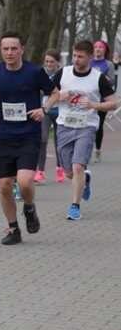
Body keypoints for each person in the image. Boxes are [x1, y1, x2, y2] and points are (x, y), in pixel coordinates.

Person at [0, 31, 58, 245]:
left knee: (24, 182)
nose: (9, 53)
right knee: (5, 185)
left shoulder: (34, 72)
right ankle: (13, 229)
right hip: (3, 136)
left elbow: (55, 93)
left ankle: (29, 207)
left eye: (14, 48)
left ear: (22, 49)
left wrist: (44, 109)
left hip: (28, 135)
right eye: (5, 49)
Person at [46, 40, 118, 220]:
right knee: (68, 172)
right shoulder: (63, 73)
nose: (76, 60)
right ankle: (85, 180)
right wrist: (60, 96)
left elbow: (113, 103)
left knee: (77, 166)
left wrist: (93, 104)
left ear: (90, 57)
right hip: (64, 125)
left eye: (81, 57)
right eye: (74, 56)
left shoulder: (98, 78)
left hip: (87, 126)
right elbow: (49, 94)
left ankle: (75, 206)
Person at [35, 49, 65, 184]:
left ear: (58, 62)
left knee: (59, 141)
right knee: (42, 139)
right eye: (46, 61)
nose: (48, 64)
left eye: (52, 62)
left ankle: (60, 168)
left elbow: (64, 92)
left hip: (59, 110)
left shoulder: (63, 74)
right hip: (45, 110)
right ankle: (40, 171)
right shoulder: (40, 74)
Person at [90, 40, 116, 162]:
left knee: (98, 126)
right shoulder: (89, 62)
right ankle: (86, 150)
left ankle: (98, 150)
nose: (98, 49)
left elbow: (112, 81)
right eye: (96, 47)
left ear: (105, 50)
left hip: (102, 100)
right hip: (89, 99)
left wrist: (101, 77)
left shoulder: (108, 64)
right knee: (87, 126)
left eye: (101, 47)